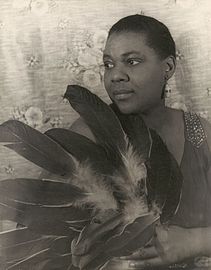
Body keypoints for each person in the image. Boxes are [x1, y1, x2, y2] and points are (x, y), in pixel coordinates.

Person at [70, 14, 211, 269]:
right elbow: (37, 224)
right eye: (108, 64)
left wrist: (195, 241)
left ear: (168, 68)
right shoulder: (88, 133)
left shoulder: (199, 133)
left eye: (132, 61)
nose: (115, 76)